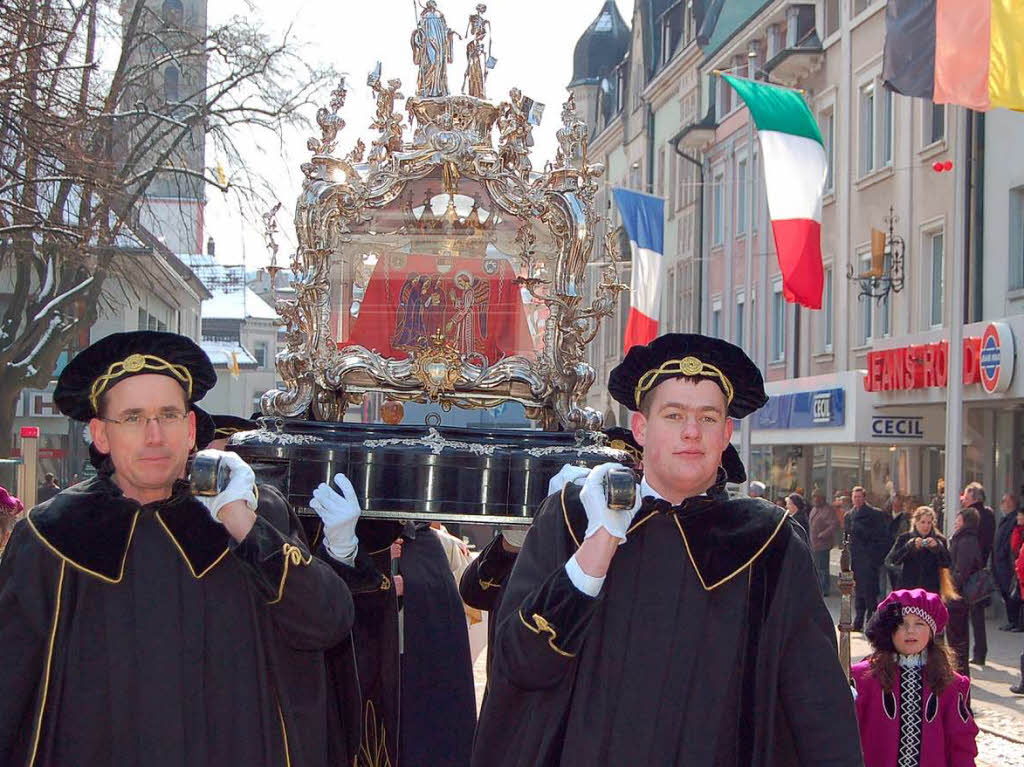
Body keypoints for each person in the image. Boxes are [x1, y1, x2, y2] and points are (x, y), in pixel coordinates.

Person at [471, 333, 863, 766]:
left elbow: (818, 704)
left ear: (726, 433)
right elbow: (521, 665)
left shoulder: (768, 542)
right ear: (641, 427)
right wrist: (596, 549)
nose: (691, 432)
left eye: (708, 418)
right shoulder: (571, 518)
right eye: (674, 415)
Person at [0, 331, 358, 766]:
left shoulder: (250, 516)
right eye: (132, 418)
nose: (154, 435)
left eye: (168, 415)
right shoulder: (51, 537)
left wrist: (245, 523)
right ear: (100, 435)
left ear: (190, 429)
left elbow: (328, 623)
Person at [312, 479, 477, 767]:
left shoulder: (425, 544)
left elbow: (442, 618)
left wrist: (402, 589)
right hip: (359, 670)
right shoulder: (327, 531)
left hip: (412, 683)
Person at [851, 589, 978, 767]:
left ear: (932, 632)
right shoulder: (862, 679)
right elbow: (845, 737)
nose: (910, 631)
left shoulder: (951, 684)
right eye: (901, 624)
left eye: (919, 624)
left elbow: (961, 744)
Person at [847, 486, 892, 630]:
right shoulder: (849, 515)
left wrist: (875, 557)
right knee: (858, 590)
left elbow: (883, 538)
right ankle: (859, 619)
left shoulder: (875, 514)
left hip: (869, 559)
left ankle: (870, 620)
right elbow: (846, 537)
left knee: (870, 591)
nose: (857, 500)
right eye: (855, 497)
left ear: (864, 498)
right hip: (855, 558)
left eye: (859, 497)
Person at [947, 508, 985, 674]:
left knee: (958, 637)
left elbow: (962, 570)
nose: (956, 522)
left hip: (958, 596)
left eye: (958, 519)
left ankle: (960, 673)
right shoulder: (963, 538)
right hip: (957, 594)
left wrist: (950, 588)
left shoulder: (966, 540)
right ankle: (958, 670)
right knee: (956, 636)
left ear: (965, 521)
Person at [885, 506, 953, 596]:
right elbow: (893, 560)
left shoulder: (939, 540)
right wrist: (909, 546)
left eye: (929, 523)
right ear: (915, 522)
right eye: (922, 522)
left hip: (930, 590)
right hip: (908, 588)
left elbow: (947, 563)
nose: (926, 526)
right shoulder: (904, 538)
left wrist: (938, 548)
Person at [994, 493, 1023, 631]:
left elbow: (1011, 543)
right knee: (1006, 592)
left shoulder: (1013, 520)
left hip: (1008, 563)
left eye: (1004, 501)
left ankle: (1016, 621)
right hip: (1000, 562)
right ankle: (1012, 620)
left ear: (1010, 503)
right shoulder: (1005, 519)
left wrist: (1004, 555)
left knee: (1012, 592)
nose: (1001, 504)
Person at [809, 491, 839, 596]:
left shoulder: (827, 510)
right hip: (814, 544)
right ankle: (818, 587)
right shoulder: (814, 509)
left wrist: (823, 534)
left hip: (823, 544)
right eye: (814, 498)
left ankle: (824, 588)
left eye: (817, 497)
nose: (815, 500)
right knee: (817, 567)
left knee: (823, 568)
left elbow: (833, 524)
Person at [0, 486, 24, 558]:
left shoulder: (12, 502)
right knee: (6, 531)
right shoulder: (11, 502)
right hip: (8, 516)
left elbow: (20, 507)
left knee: (6, 531)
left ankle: (3, 546)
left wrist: (13, 513)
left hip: (8, 517)